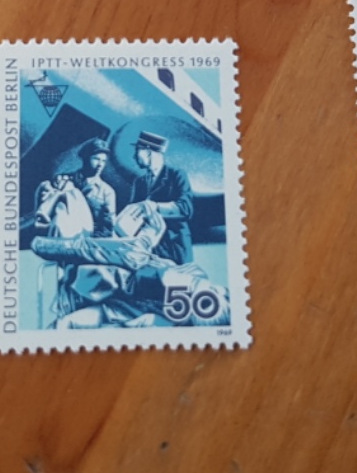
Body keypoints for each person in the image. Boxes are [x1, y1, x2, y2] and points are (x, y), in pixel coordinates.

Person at [32, 200, 230, 329]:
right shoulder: (194, 274)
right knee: (69, 203)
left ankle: (48, 244)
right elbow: (153, 264)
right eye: (215, 292)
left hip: (84, 280)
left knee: (69, 211)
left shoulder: (154, 317)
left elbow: (101, 312)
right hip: (112, 253)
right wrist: (150, 235)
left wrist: (64, 325)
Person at [128, 131, 194, 265]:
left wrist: (155, 207)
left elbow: (186, 209)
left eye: (137, 151)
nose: (134, 156)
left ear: (148, 152)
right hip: (149, 248)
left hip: (174, 246)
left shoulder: (177, 175)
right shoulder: (139, 182)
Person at [72, 138, 117, 237]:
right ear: (85, 158)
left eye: (103, 161)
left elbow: (108, 226)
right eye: (96, 159)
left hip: (89, 236)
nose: (100, 164)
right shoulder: (68, 181)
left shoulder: (107, 191)